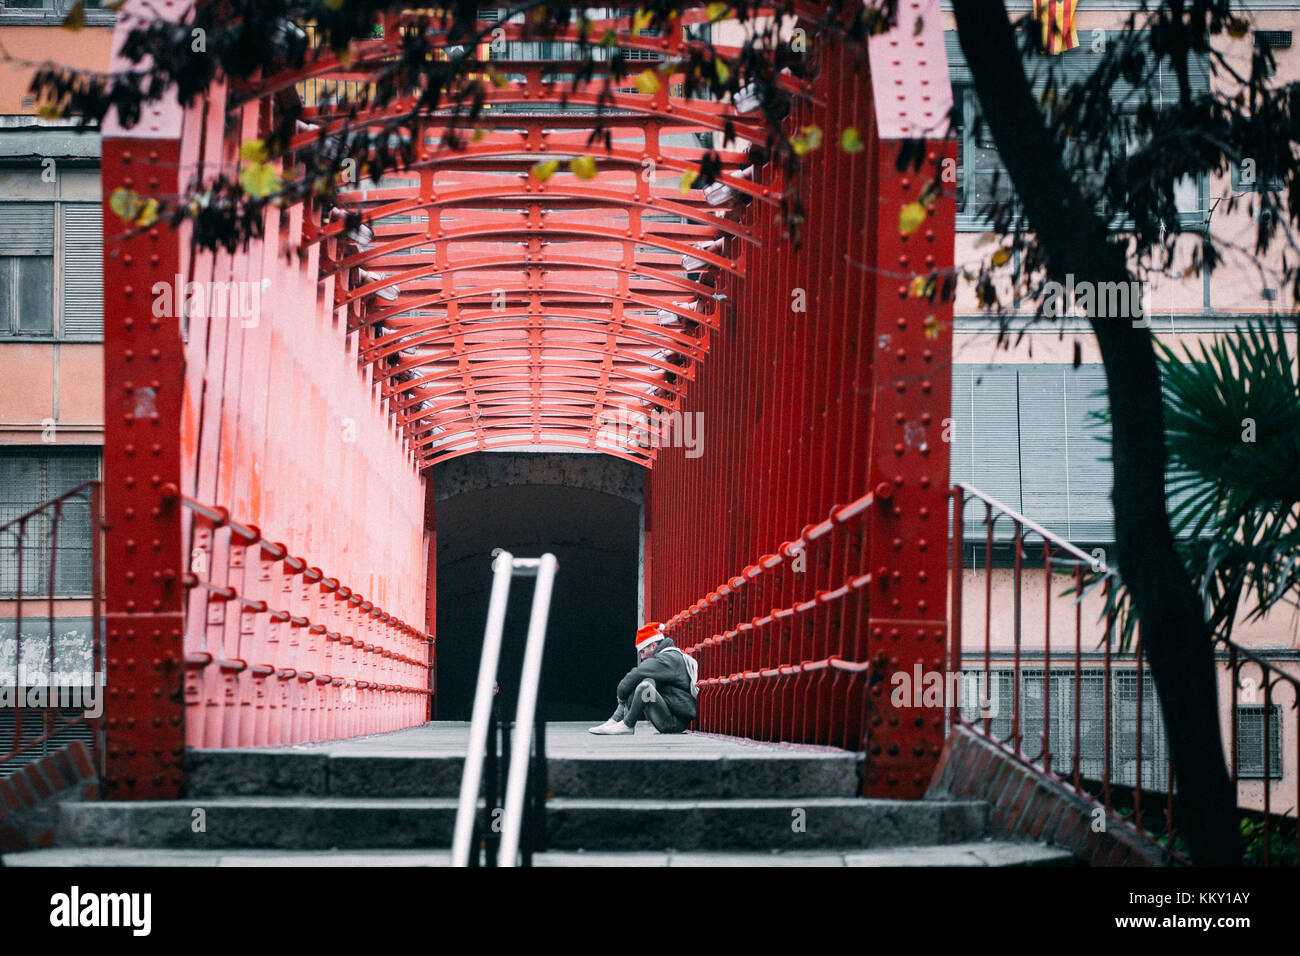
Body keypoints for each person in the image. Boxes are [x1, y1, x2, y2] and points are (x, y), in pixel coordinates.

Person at [588, 622, 698, 735]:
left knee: (645, 686)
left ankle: (627, 725)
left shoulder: (668, 659)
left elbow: (636, 674)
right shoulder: (669, 656)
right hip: (670, 716)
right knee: (640, 682)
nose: (642, 657)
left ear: (653, 646)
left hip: (673, 723)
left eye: (642, 651)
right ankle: (614, 721)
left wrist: (620, 695)